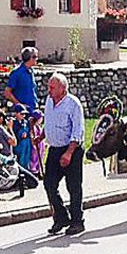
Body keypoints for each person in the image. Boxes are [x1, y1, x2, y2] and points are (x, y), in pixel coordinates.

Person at [42, 73, 86, 235]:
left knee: (73, 186)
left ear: (62, 88)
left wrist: (68, 153)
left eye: (52, 87)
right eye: (49, 86)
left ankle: (77, 221)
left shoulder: (73, 104)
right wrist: (41, 135)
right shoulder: (49, 101)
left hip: (71, 149)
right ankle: (60, 218)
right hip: (54, 149)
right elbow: (49, 122)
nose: (49, 90)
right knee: (49, 184)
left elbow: (78, 130)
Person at [5, 46, 39, 111]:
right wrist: (19, 104)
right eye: (35, 57)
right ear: (30, 58)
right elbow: (7, 92)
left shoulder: (31, 71)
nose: (37, 59)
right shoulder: (17, 72)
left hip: (33, 108)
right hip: (22, 112)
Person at [12, 104, 33, 171]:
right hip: (19, 144)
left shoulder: (26, 122)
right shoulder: (13, 123)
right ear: (16, 113)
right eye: (21, 114)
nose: (23, 116)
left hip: (27, 144)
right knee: (20, 156)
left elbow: (29, 132)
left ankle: (26, 167)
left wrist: (28, 135)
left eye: (24, 114)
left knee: (27, 155)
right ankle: (20, 168)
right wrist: (20, 136)